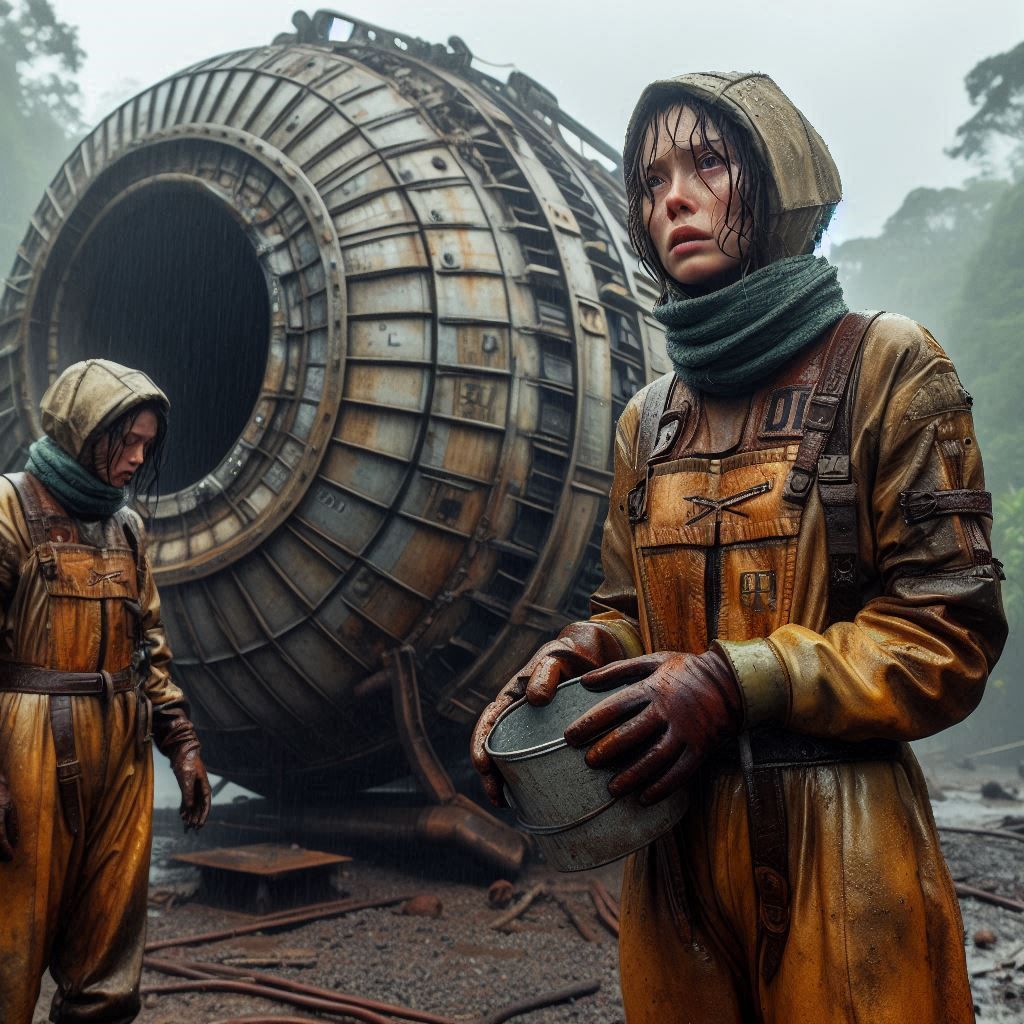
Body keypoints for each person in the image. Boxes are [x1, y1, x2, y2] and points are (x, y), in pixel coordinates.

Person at [471, 73, 1007, 1023]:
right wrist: (570, 662)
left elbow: (949, 632)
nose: (670, 196)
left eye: (706, 164)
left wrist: (735, 682)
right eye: (650, 180)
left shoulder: (888, 365)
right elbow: (625, 612)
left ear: (777, 180)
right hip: (672, 863)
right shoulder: (651, 420)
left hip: (843, 849)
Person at [0, 359, 212, 1024]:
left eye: (147, 444)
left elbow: (148, 643)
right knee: (11, 940)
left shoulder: (125, 529)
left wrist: (180, 742)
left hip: (120, 749)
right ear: (84, 431)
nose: (138, 458)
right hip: (30, 748)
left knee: (109, 947)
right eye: (127, 442)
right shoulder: (9, 508)